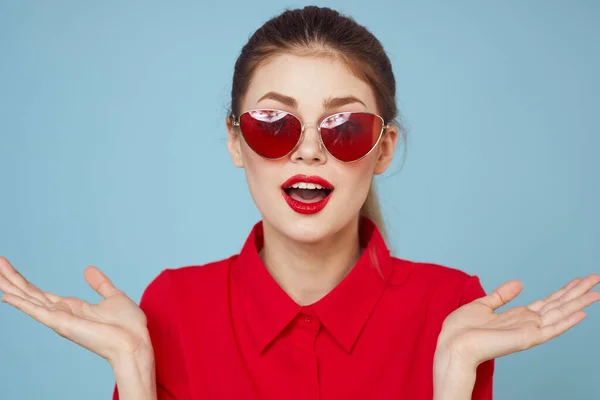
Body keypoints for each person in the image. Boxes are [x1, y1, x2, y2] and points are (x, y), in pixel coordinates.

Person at [1, 5, 598, 400]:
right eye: (273, 123)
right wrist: (134, 370)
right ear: (236, 141)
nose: (309, 151)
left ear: (383, 149)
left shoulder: (451, 309)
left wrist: (453, 379)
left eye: (342, 127)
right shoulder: (172, 310)